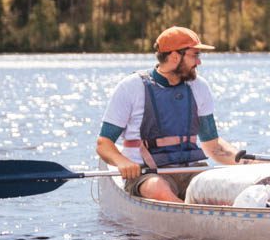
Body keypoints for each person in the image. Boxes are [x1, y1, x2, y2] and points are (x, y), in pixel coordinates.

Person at [95, 25, 247, 203]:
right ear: (175, 56)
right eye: (194, 55)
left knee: (226, 186)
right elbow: (103, 144)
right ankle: (192, 219)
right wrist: (121, 162)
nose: (199, 62)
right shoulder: (131, 87)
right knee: (156, 188)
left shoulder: (199, 87)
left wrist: (250, 164)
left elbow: (213, 146)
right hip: (148, 174)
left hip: (191, 171)